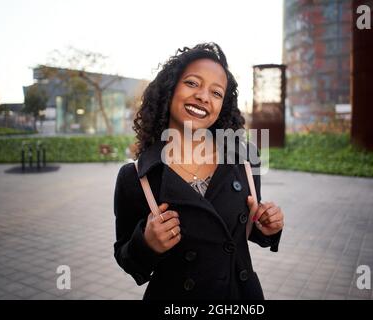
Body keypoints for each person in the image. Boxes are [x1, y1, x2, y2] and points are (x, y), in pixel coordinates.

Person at [113, 42, 284, 300]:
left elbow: (246, 229)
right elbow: (127, 258)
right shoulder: (136, 177)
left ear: (222, 106)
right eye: (192, 83)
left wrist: (268, 227)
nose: (204, 96)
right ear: (170, 89)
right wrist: (147, 243)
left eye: (216, 93)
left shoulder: (244, 159)